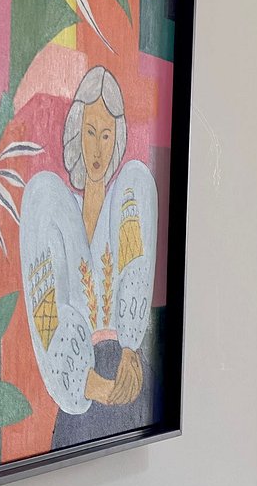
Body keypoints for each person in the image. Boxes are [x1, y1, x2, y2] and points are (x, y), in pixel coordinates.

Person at [19, 65, 159, 448]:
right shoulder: (53, 208)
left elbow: (135, 268)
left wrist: (130, 351)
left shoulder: (126, 201)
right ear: (77, 134)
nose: (98, 148)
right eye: (91, 132)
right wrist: (88, 382)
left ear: (117, 138)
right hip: (82, 385)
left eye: (106, 134)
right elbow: (47, 308)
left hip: (128, 375)